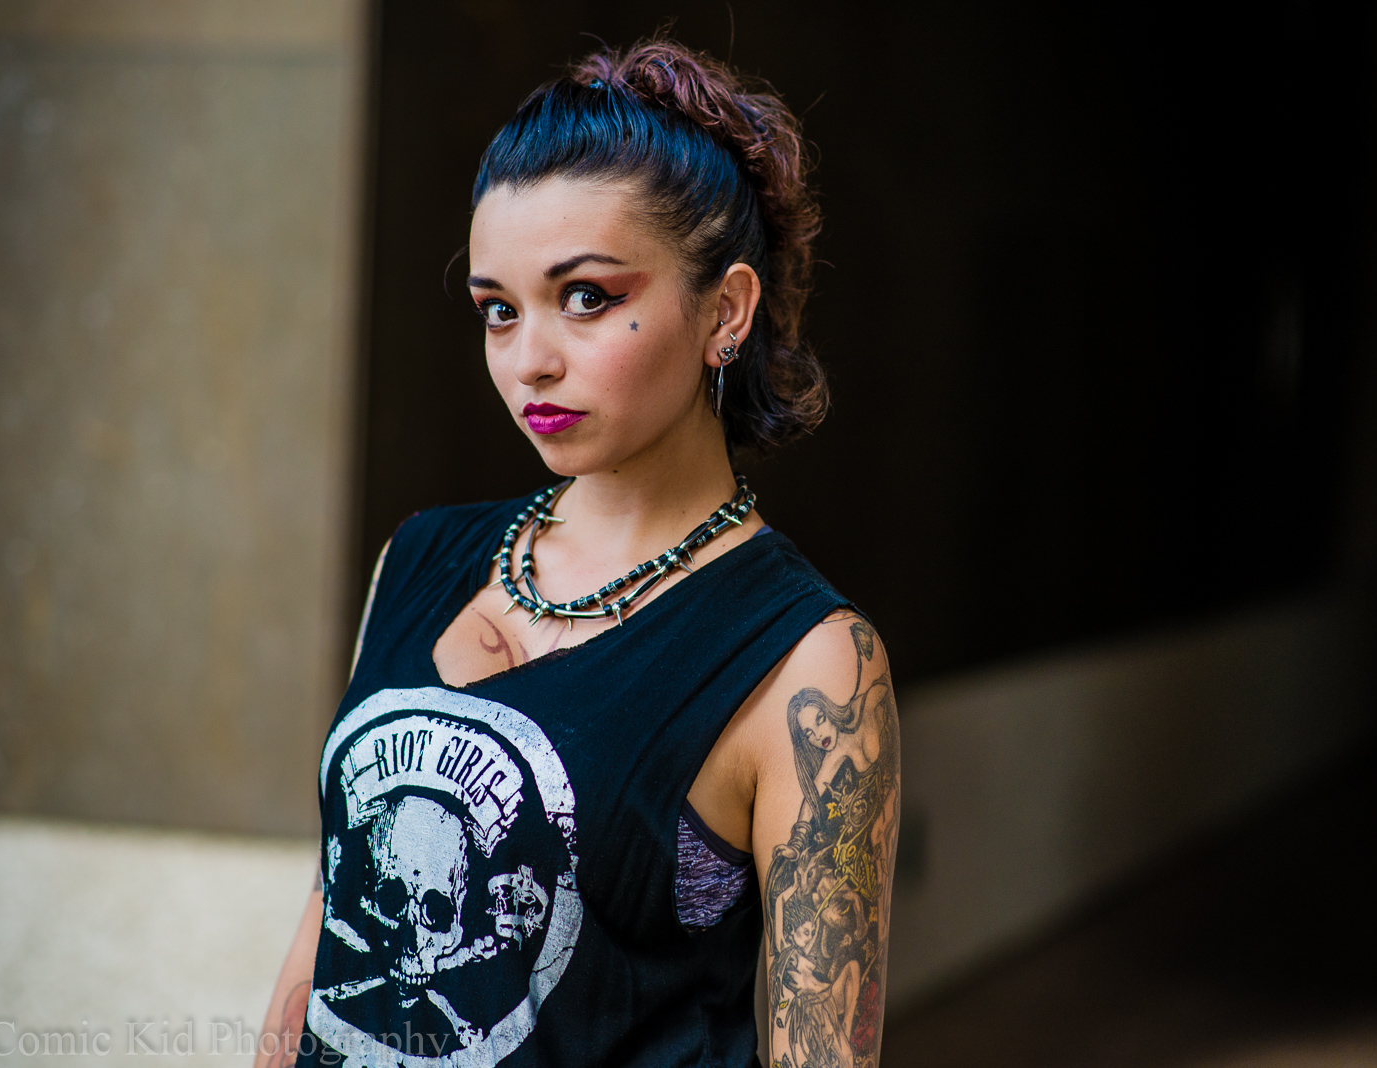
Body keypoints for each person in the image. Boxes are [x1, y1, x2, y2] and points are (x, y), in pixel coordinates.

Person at [257, 37, 900, 1068]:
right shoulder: (419, 559)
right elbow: (324, 931)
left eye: (588, 296)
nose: (530, 361)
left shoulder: (805, 661)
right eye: (498, 311)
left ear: (725, 311)